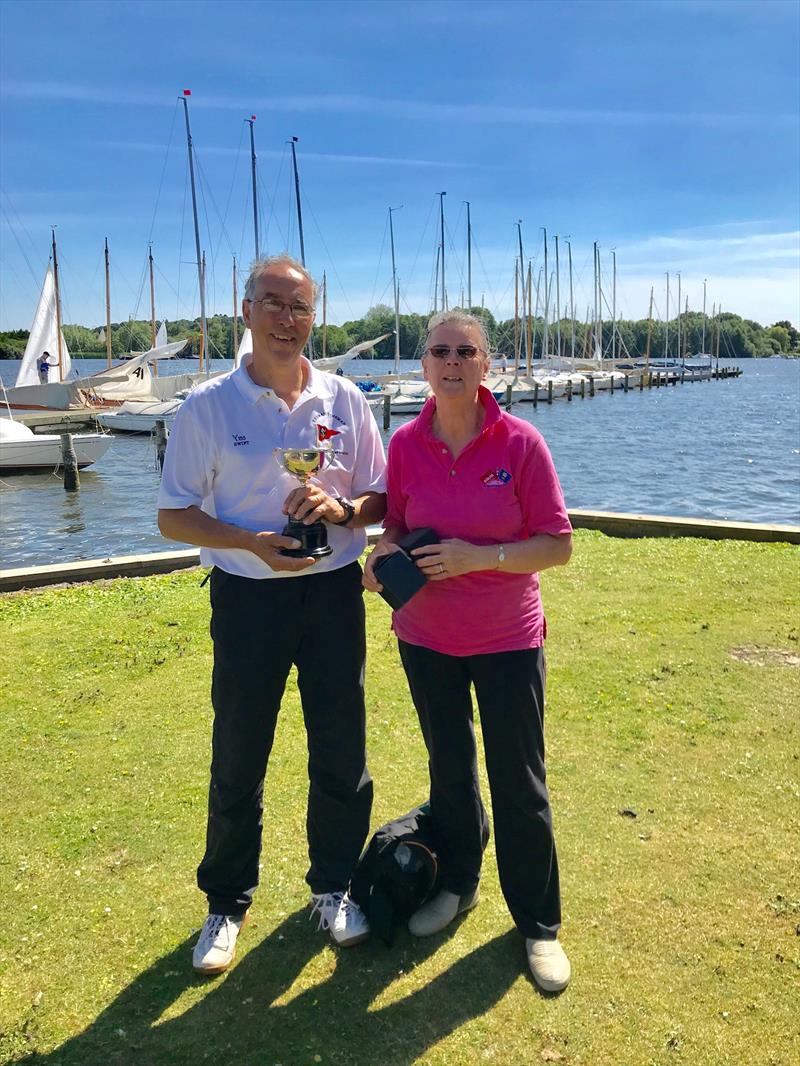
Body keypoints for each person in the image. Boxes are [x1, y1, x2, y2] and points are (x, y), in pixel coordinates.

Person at [158, 255, 387, 975]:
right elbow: (173, 516)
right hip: (248, 598)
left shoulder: (345, 399)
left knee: (341, 750)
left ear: (313, 319)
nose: (288, 321)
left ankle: (335, 886)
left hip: (332, 592)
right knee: (239, 751)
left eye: (300, 308)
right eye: (274, 304)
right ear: (246, 312)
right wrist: (247, 541)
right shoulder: (207, 407)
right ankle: (225, 903)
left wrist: (341, 508)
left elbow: (381, 498)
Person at [363, 310, 573, 993]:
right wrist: (383, 553)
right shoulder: (405, 444)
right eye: (439, 351)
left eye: (466, 350)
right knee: (450, 773)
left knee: (520, 784)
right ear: (423, 364)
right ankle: (457, 884)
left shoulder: (521, 444)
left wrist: (481, 555)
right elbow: (395, 522)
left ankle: (538, 925)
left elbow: (557, 543)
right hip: (426, 638)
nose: (451, 361)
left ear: (488, 364)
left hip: (508, 639)